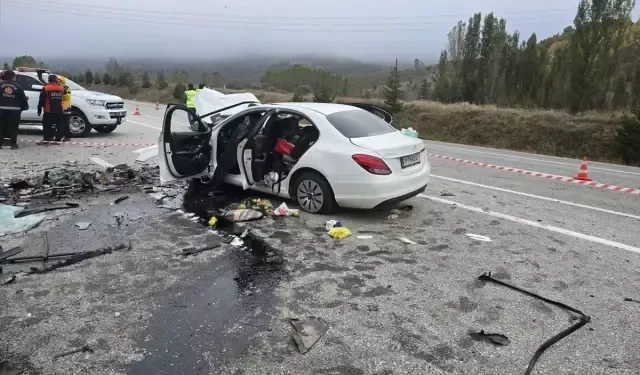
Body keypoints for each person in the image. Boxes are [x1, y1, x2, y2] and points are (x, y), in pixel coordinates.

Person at [0, 70, 29, 149]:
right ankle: (13, 144)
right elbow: (23, 99)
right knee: (14, 127)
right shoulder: (18, 86)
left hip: (1, 110)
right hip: (14, 111)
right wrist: (24, 108)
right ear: (13, 77)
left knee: (1, 127)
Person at [37, 74, 65, 145]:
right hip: (59, 110)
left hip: (49, 111)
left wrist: (39, 108)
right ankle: (58, 139)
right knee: (59, 125)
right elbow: (64, 93)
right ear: (56, 80)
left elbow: (41, 100)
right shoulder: (61, 88)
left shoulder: (46, 88)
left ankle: (46, 139)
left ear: (49, 80)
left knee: (46, 126)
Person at [57, 76, 72, 142]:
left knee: (66, 123)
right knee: (59, 123)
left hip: (66, 108)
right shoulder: (56, 87)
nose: (58, 82)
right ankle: (59, 136)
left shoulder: (67, 88)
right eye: (57, 81)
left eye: (59, 81)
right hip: (58, 108)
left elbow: (67, 97)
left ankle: (67, 137)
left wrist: (63, 91)